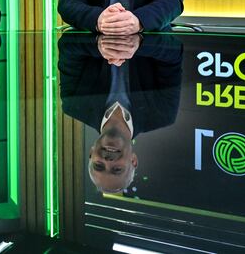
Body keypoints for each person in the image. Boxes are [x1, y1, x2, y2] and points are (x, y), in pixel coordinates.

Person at [58, 33, 183, 193]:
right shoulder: (162, 113)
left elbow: (67, 44)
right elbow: (173, 50)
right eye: (116, 169)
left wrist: (103, 43)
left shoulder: (73, 104)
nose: (108, 161)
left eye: (99, 166)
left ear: (91, 153)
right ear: (134, 160)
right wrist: (136, 41)